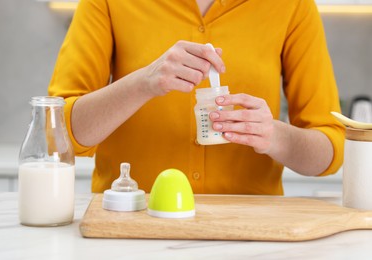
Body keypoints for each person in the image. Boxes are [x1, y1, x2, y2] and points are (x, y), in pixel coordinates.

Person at [48, 0, 345, 195]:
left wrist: (274, 136)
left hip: (248, 234)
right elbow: (57, 135)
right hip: (132, 225)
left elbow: (330, 151)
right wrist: (144, 82)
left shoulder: (291, 6)